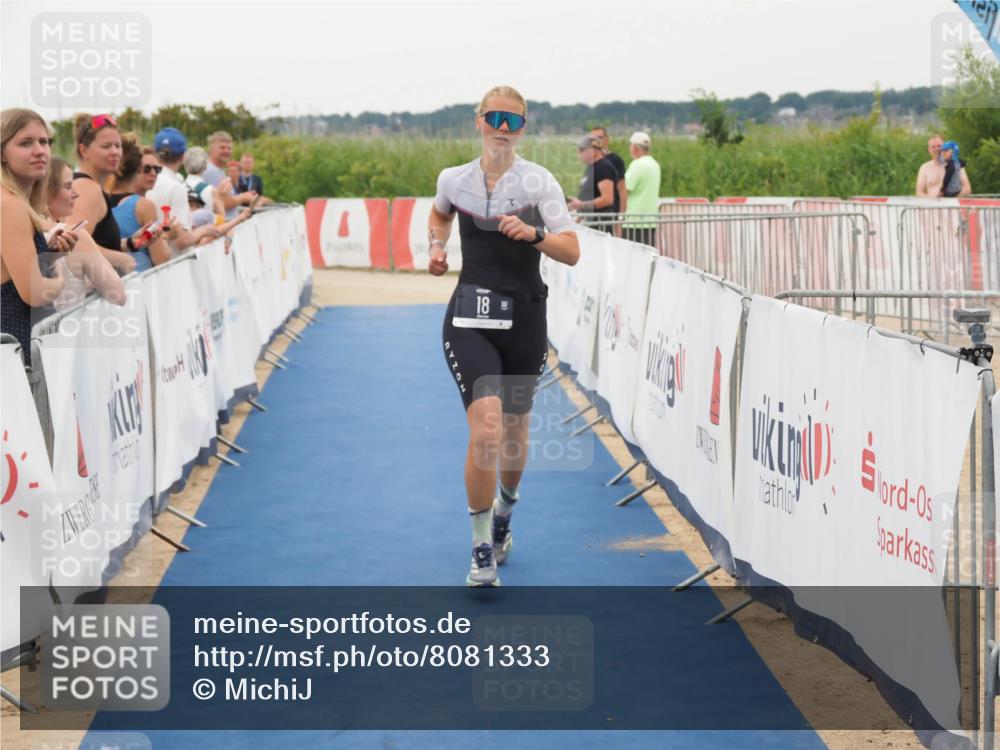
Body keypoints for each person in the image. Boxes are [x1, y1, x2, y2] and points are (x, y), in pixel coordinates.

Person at [427, 85, 580, 587]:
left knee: (514, 432)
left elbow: (571, 250)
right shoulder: (454, 179)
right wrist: (435, 247)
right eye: (494, 118)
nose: (503, 128)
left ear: (523, 128)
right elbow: (440, 213)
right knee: (487, 428)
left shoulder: (539, 182)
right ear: (478, 121)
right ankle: (480, 547)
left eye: (513, 121)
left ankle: (504, 515)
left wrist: (534, 234)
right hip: (470, 319)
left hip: (526, 320)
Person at [42, 156, 128, 308]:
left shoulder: (17, 231)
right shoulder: (74, 236)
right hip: (71, 321)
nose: (76, 194)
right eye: (68, 186)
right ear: (46, 191)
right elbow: (118, 295)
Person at [66, 113, 142, 276]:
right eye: (106, 146)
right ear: (84, 150)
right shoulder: (87, 188)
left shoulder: (90, 186)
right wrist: (120, 259)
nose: (115, 152)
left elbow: (93, 242)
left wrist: (128, 243)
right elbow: (74, 247)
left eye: (118, 145)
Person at [146, 127, 219, 251]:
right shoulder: (175, 187)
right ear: (183, 156)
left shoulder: (146, 179)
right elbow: (182, 241)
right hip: (172, 258)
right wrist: (204, 230)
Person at [109, 134, 172, 270]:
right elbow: (160, 259)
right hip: (138, 278)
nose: (153, 173)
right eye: (147, 169)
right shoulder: (143, 205)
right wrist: (167, 235)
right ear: (138, 169)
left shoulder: (99, 200)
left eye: (158, 169)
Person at [567, 135, 617, 233]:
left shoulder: (603, 167)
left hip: (600, 225)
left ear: (593, 150)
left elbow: (607, 199)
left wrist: (581, 205)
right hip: (589, 223)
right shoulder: (591, 168)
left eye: (581, 150)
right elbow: (588, 196)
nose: (578, 154)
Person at [622, 131, 661, 246]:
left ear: (634, 147)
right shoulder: (655, 165)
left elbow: (624, 189)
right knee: (647, 253)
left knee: (630, 254)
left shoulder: (637, 164)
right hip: (650, 221)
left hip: (634, 221)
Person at [205, 131, 256, 219]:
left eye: (229, 148)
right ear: (212, 149)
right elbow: (220, 203)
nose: (226, 151)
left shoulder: (218, 170)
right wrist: (243, 197)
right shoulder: (212, 171)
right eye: (222, 148)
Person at [590, 126, 626, 217]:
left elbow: (621, 188)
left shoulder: (615, 160)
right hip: (592, 214)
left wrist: (621, 215)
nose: (596, 141)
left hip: (609, 213)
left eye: (599, 137)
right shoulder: (590, 162)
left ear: (607, 140)